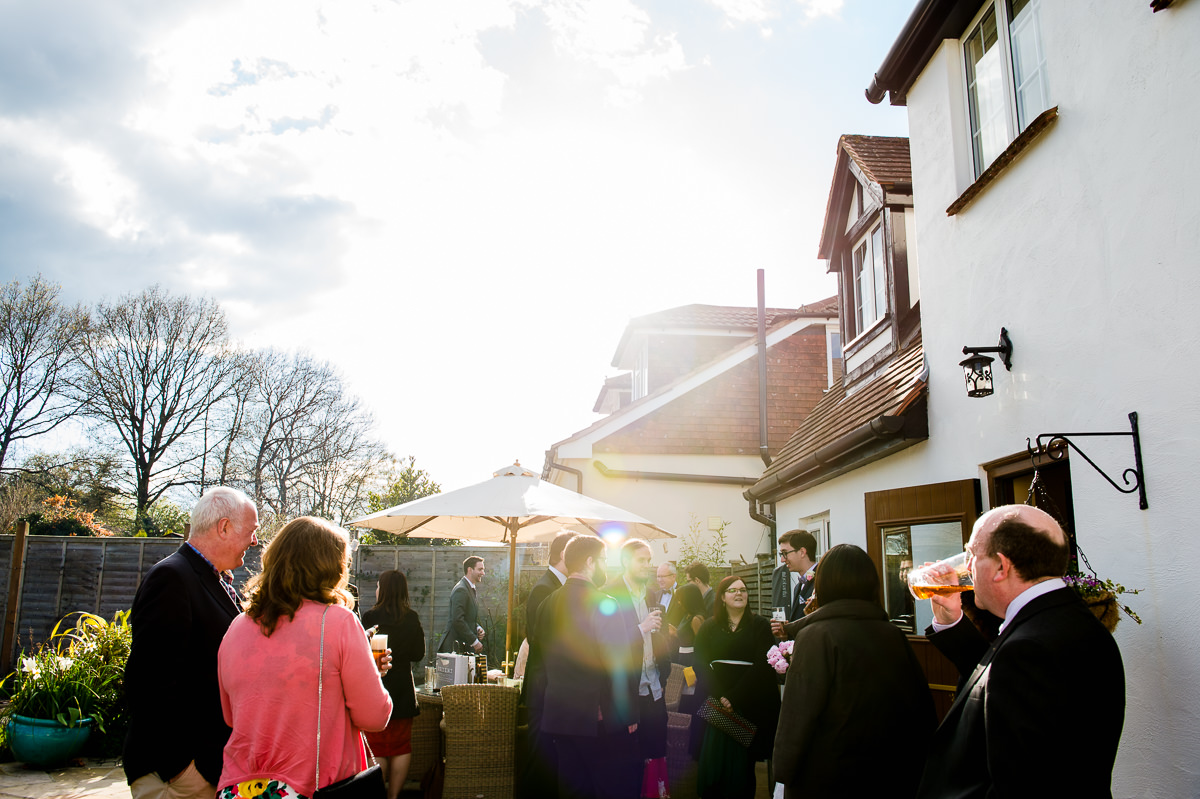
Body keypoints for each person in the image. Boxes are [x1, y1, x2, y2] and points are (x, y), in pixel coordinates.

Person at [916, 505, 1126, 798]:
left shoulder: (1030, 651)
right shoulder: (1070, 621)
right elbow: (1000, 688)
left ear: (1001, 567)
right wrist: (950, 620)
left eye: (971, 556)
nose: (966, 567)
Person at [216, 516, 393, 799]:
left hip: (239, 789)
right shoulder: (338, 622)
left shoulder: (237, 626)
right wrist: (371, 674)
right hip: (314, 786)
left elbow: (230, 714)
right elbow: (375, 716)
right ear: (330, 567)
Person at [124, 486, 260, 799]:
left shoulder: (213, 578)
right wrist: (183, 767)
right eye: (252, 531)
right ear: (224, 527)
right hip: (177, 775)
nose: (255, 541)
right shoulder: (172, 578)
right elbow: (147, 683)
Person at [772, 544, 935, 798]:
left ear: (823, 584)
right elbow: (921, 709)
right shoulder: (892, 634)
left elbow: (798, 715)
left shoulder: (817, 636)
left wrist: (782, 771)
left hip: (829, 778)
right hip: (891, 775)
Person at [538, 535, 640, 799]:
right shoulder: (604, 602)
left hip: (559, 715)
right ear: (590, 561)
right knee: (608, 788)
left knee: (572, 789)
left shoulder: (546, 604)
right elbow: (616, 663)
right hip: (597, 718)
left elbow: (541, 661)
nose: (606, 567)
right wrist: (627, 713)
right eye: (604, 560)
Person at [693, 576, 781, 799]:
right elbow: (700, 662)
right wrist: (722, 696)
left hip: (749, 704)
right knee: (714, 761)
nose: (739, 593)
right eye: (732, 590)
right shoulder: (709, 626)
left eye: (743, 590)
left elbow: (763, 663)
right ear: (722, 597)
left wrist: (734, 696)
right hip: (716, 704)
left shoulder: (760, 625)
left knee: (743, 766)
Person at [605, 539, 672, 796]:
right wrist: (640, 629)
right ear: (625, 562)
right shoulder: (609, 594)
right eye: (641, 560)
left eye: (648, 560)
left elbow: (659, 637)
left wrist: (661, 638)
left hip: (655, 688)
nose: (646, 565)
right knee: (628, 762)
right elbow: (606, 645)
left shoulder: (653, 594)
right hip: (627, 692)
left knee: (655, 753)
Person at [520, 531, 575, 799]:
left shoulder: (559, 586)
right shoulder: (545, 588)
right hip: (544, 688)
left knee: (552, 760)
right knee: (539, 761)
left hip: (554, 687)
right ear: (565, 554)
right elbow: (539, 639)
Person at [362, 570, 426, 799]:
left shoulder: (370, 618)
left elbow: (359, 654)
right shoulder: (411, 617)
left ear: (384, 589)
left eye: (378, 585)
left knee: (376, 748)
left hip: (375, 689)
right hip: (403, 691)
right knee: (401, 747)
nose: (377, 589)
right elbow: (419, 654)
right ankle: (394, 796)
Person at [437, 556, 485, 653]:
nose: (483, 573)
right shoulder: (461, 589)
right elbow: (457, 620)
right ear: (470, 570)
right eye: (480, 569)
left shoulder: (469, 588)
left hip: (461, 647)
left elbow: (466, 617)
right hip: (453, 647)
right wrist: (474, 641)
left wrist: (477, 628)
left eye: (483, 570)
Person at [770, 530, 818, 625]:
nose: (782, 559)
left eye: (785, 553)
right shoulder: (798, 587)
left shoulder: (822, 581)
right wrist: (786, 635)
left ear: (802, 552)